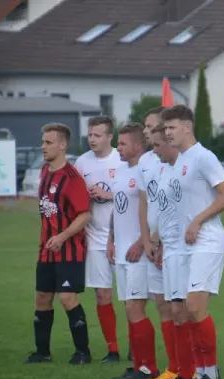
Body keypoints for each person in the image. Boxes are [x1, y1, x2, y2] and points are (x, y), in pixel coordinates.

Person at [161, 105, 224, 379]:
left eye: (172, 127)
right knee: (187, 311)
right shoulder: (181, 161)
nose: (167, 132)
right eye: (165, 128)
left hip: (208, 241)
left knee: (194, 306)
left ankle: (211, 375)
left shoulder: (204, 157)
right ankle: (200, 374)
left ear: (187, 127)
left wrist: (198, 220)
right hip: (185, 245)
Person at [24, 123, 92, 365]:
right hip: (46, 251)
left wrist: (62, 236)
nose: (43, 146)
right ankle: (42, 353)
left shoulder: (72, 178)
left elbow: (84, 214)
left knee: (66, 298)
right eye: (42, 142)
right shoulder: (44, 171)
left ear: (62, 145)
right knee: (42, 297)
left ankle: (83, 352)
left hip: (69, 250)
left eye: (48, 142)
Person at [108, 123, 160, 379]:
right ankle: (138, 364)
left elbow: (155, 210)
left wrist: (142, 241)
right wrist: (110, 239)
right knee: (129, 309)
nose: (118, 148)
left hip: (137, 252)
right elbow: (115, 211)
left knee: (135, 307)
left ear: (139, 145)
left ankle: (148, 367)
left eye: (122, 143)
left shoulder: (147, 171)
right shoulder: (119, 171)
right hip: (120, 252)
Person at [74, 116, 126, 364]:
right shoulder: (82, 162)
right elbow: (73, 198)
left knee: (130, 296)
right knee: (102, 295)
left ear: (109, 137)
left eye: (97, 135)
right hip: (94, 239)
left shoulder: (122, 159)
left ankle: (136, 347)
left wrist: (108, 194)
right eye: (90, 134)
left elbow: (135, 195)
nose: (92, 139)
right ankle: (112, 350)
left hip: (123, 238)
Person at [149, 123, 196, 379]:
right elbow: (167, 214)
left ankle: (191, 371)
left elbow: (185, 213)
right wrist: (159, 243)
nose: (154, 150)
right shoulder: (167, 172)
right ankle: (182, 370)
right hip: (169, 249)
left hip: (182, 250)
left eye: (157, 145)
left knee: (183, 310)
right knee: (174, 310)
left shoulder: (183, 171)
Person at [136, 107, 179, 379]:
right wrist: (146, 239)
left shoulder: (173, 161)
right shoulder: (145, 161)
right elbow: (144, 202)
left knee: (180, 306)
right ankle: (173, 367)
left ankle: (185, 366)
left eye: (151, 127)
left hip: (170, 241)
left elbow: (172, 206)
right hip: (153, 241)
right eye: (145, 127)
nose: (146, 132)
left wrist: (159, 238)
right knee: (161, 304)